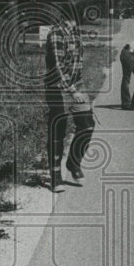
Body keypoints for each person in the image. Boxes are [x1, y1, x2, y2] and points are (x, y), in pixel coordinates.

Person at [44, 16, 95, 191]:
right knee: (59, 129)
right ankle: (55, 177)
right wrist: (72, 91)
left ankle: (73, 163)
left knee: (87, 125)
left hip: (77, 84)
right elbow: (57, 67)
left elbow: (77, 62)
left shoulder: (75, 32)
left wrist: (77, 87)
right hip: (57, 86)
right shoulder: (56, 33)